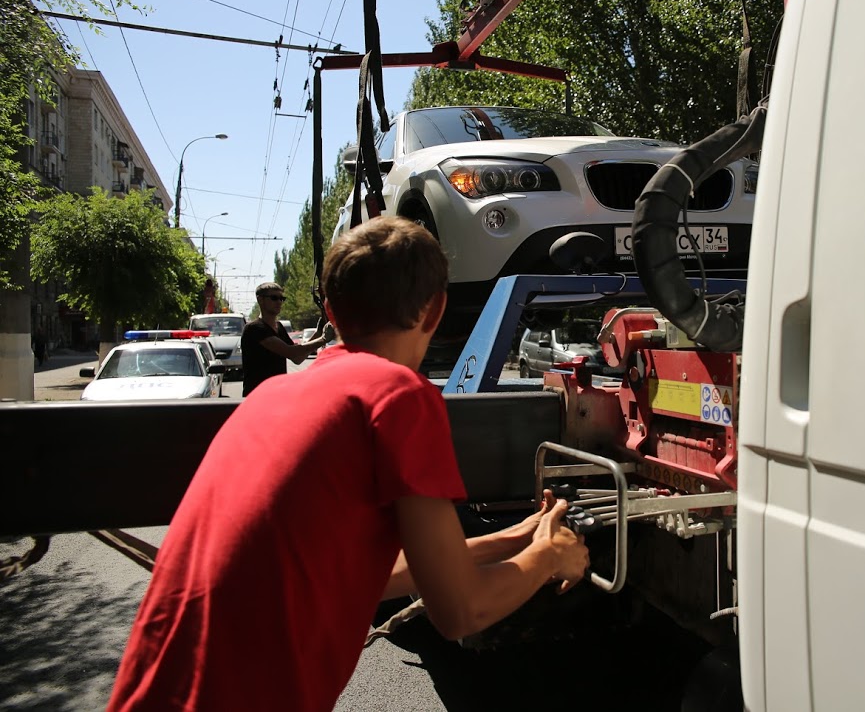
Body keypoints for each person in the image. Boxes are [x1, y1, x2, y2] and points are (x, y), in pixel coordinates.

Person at [107, 216, 588, 712]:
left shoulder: (273, 395)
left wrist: (518, 536)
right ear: (436, 309)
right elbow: (463, 610)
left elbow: (358, 573)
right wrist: (551, 555)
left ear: (331, 312)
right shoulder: (397, 396)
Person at [240, 281, 333, 396]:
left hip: (277, 394)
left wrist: (318, 334)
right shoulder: (255, 328)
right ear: (260, 300)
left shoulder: (279, 327)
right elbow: (291, 352)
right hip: (257, 395)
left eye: (281, 298)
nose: (279, 302)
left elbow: (298, 358)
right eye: (274, 298)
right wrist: (323, 339)